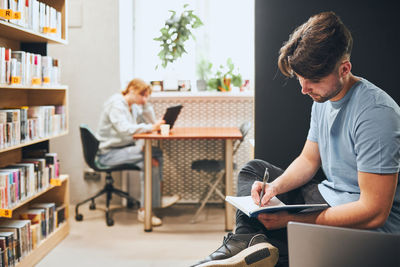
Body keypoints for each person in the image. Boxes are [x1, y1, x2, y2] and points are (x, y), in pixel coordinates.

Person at [192, 11, 400, 267]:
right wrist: (274, 189)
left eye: (313, 80)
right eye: (300, 78)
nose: (303, 89)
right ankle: (249, 243)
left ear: (344, 68)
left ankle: (250, 246)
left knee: (276, 235)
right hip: (328, 197)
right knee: (254, 170)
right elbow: (308, 159)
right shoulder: (323, 98)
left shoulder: (376, 114)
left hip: (365, 225)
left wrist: (292, 220)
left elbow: (374, 212)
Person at [96, 78, 180, 227]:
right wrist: (152, 127)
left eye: (147, 96)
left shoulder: (133, 106)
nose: (144, 99)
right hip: (108, 154)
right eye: (143, 95)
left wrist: (146, 104)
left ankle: (148, 206)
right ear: (132, 90)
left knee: (154, 159)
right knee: (151, 158)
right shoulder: (116, 104)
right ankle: (150, 205)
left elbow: (151, 121)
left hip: (122, 149)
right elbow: (125, 129)